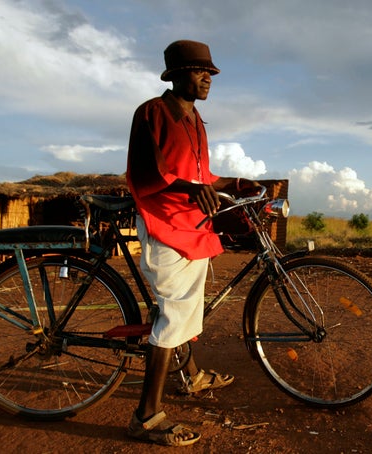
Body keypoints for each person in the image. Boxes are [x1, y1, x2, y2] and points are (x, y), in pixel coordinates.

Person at [125, 39, 258, 447]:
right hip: (163, 222)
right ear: (177, 74)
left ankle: (192, 375)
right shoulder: (152, 112)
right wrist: (190, 188)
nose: (208, 79)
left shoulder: (196, 119)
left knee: (187, 307)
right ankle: (146, 416)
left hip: (193, 224)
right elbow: (152, 173)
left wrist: (233, 183)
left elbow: (203, 175)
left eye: (211, 73)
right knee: (175, 313)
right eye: (201, 72)